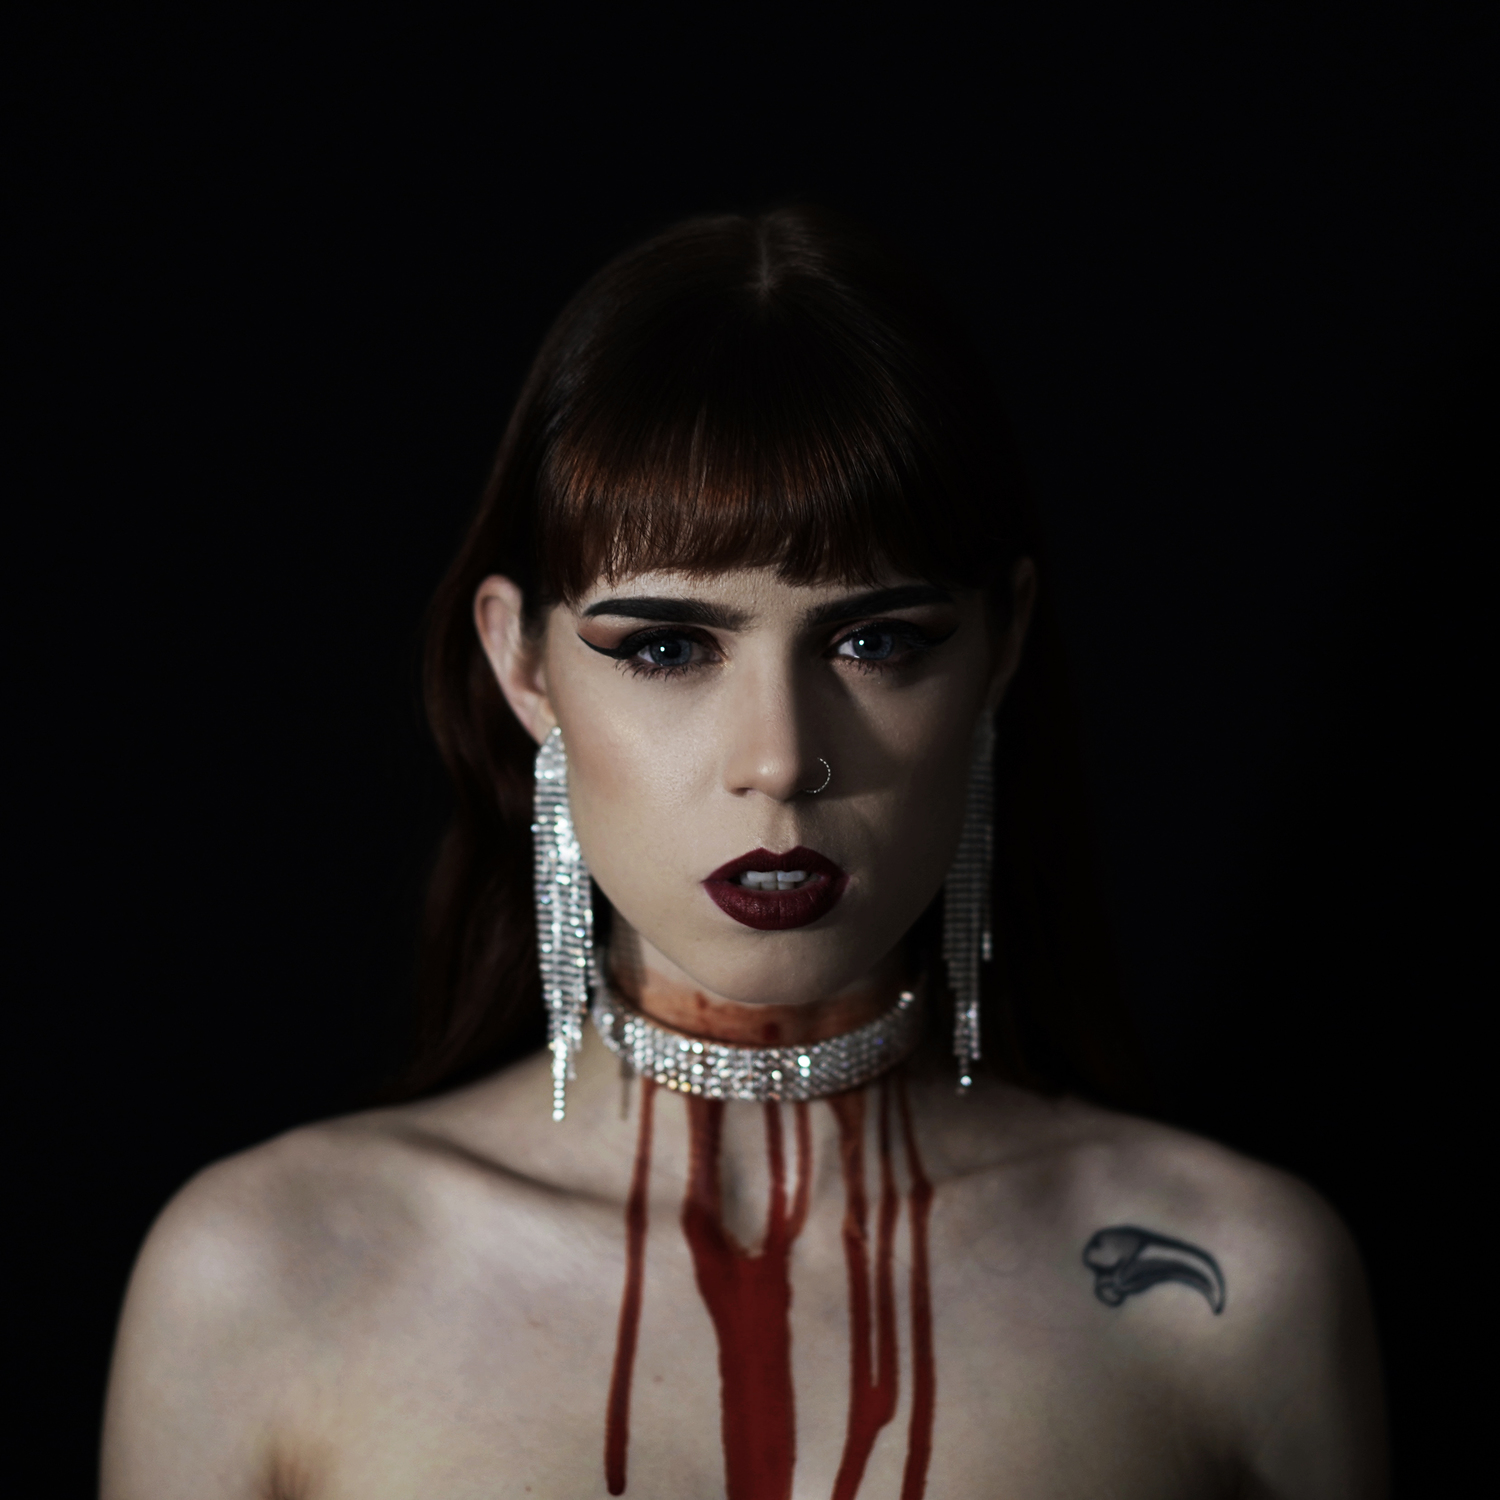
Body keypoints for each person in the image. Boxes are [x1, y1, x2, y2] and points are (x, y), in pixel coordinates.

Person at [100, 207, 1387, 1499]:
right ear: (523, 664)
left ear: (1000, 646)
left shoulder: (1227, 1288)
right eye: (666, 647)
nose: (779, 758)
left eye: (876, 641)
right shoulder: (267, 1282)